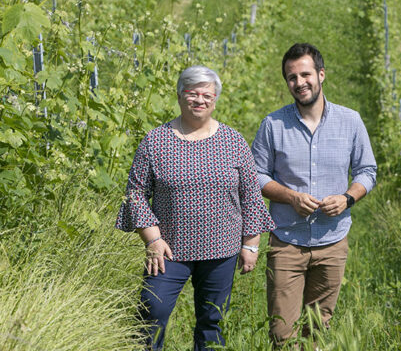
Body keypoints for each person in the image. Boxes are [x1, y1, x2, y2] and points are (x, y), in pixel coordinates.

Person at [115, 65, 276, 351]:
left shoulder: (233, 141)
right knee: (152, 312)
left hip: (221, 249)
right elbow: (136, 193)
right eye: (192, 93)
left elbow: (251, 193)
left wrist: (251, 243)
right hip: (169, 250)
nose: (199, 100)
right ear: (179, 96)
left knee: (212, 320)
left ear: (215, 100)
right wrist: (152, 239)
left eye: (207, 96)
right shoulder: (155, 141)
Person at [251, 43, 377, 346]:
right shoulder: (273, 125)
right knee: (282, 334)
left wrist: (347, 198)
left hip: (332, 243)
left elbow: (367, 172)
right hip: (286, 243)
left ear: (321, 75)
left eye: (305, 74)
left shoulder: (351, 121)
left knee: (318, 330)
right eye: (292, 78)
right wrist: (291, 197)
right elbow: (255, 176)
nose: (299, 83)